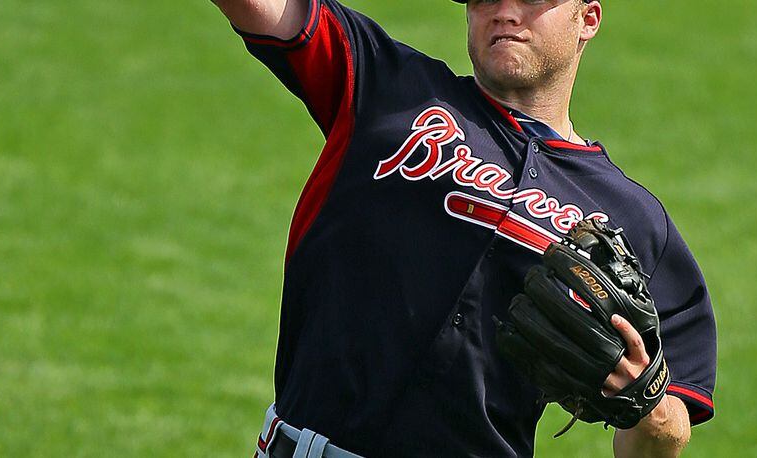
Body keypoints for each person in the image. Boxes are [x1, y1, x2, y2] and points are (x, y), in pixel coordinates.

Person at [210, 0, 717, 456]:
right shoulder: (385, 85)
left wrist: (645, 402)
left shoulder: (634, 219)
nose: (504, 11)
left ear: (588, 18)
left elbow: (663, 434)